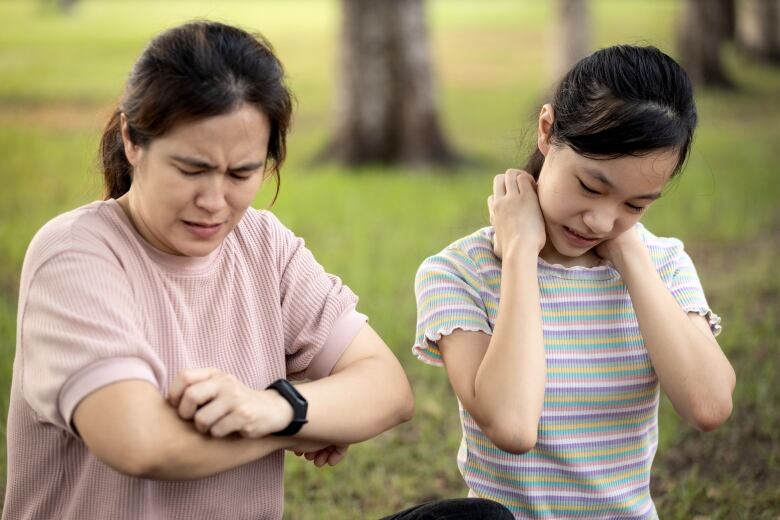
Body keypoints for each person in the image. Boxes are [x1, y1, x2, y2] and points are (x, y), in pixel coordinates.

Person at [412, 45, 736, 519]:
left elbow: (709, 406)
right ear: (547, 131)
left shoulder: (663, 264)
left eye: (636, 204)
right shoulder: (459, 271)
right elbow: (513, 425)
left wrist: (631, 255)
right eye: (591, 187)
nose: (602, 221)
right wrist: (521, 254)